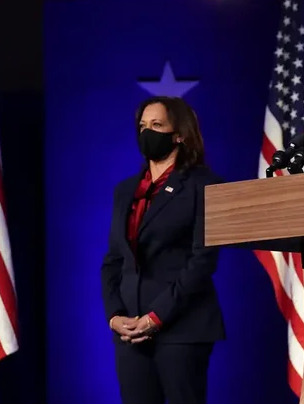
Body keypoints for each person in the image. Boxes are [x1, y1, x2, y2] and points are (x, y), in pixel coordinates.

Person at [100, 95, 225, 404]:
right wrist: (115, 315)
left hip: (182, 328)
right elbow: (114, 260)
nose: (147, 132)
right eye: (143, 125)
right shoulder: (126, 191)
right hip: (130, 332)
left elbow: (202, 261)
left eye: (157, 125)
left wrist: (156, 317)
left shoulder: (204, 185)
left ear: (179, 134)